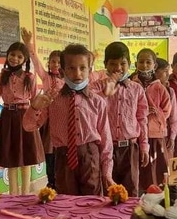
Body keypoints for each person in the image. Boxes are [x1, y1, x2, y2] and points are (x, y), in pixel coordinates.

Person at [23, 44, 114, 195]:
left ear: (89, 70)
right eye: (71, 68)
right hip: (63, 158)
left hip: (90, 157)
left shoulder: (97, 102)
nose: (77, 73)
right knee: (66, 203)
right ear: (62, 71)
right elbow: (28, 126)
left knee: (92, 202)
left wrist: (107, 173)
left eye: (82, 68)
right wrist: (34, 107)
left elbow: (106, 140)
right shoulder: (52, 100)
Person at [0, 41, 44, 195]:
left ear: (24, 60)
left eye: (19, 56)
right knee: (12, 159)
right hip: (7, 117)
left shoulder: (30, 77)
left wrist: (36, 118)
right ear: (7, 55)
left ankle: (25, 194)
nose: (15, 58)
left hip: (25, 116)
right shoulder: (0, 77)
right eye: (12, 54)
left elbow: (35, 101)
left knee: (26, 159)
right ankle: (13, 195)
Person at [90, 42, 149, 197]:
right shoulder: (95, 87)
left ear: (129, 64)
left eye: (123, 63)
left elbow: (142, 119)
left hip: (130, 148)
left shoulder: (137, 89)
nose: (118, 68)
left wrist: (144, 146)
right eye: (113, 64)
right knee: (106, 192)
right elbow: (88, 109)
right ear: (105, 65)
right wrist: (105, 93)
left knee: (131, 193)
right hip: (104, 149)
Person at [21, 28, 63, 190]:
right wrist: (28, 44)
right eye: (53, 61)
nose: (55, 64)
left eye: (59, 62)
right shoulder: (45, 77)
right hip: (48, 120)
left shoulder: (66, 80)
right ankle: (51, 182)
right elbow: (36, 63)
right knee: (49, 154)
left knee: (61, 154)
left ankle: (60, 182)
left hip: (62, 120)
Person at [134, 49, 171, 192]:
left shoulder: (160, 88)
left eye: (148, 62)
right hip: (137, 134)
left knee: (154, 168)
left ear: (154, 66)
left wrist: (155, 112)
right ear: (136, 63)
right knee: (139, 168)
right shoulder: (132, 83)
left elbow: (167, 110)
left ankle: (154, 193)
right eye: (141, 62)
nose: (144, 65)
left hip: (154, 134)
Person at [156, 58, 177, 157]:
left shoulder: (170, 91)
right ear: (155, 72)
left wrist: (172, 137)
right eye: (165, 71)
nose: (167, 75)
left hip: (165, 133)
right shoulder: (144, 89)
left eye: (168, 71)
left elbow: (174, 117)